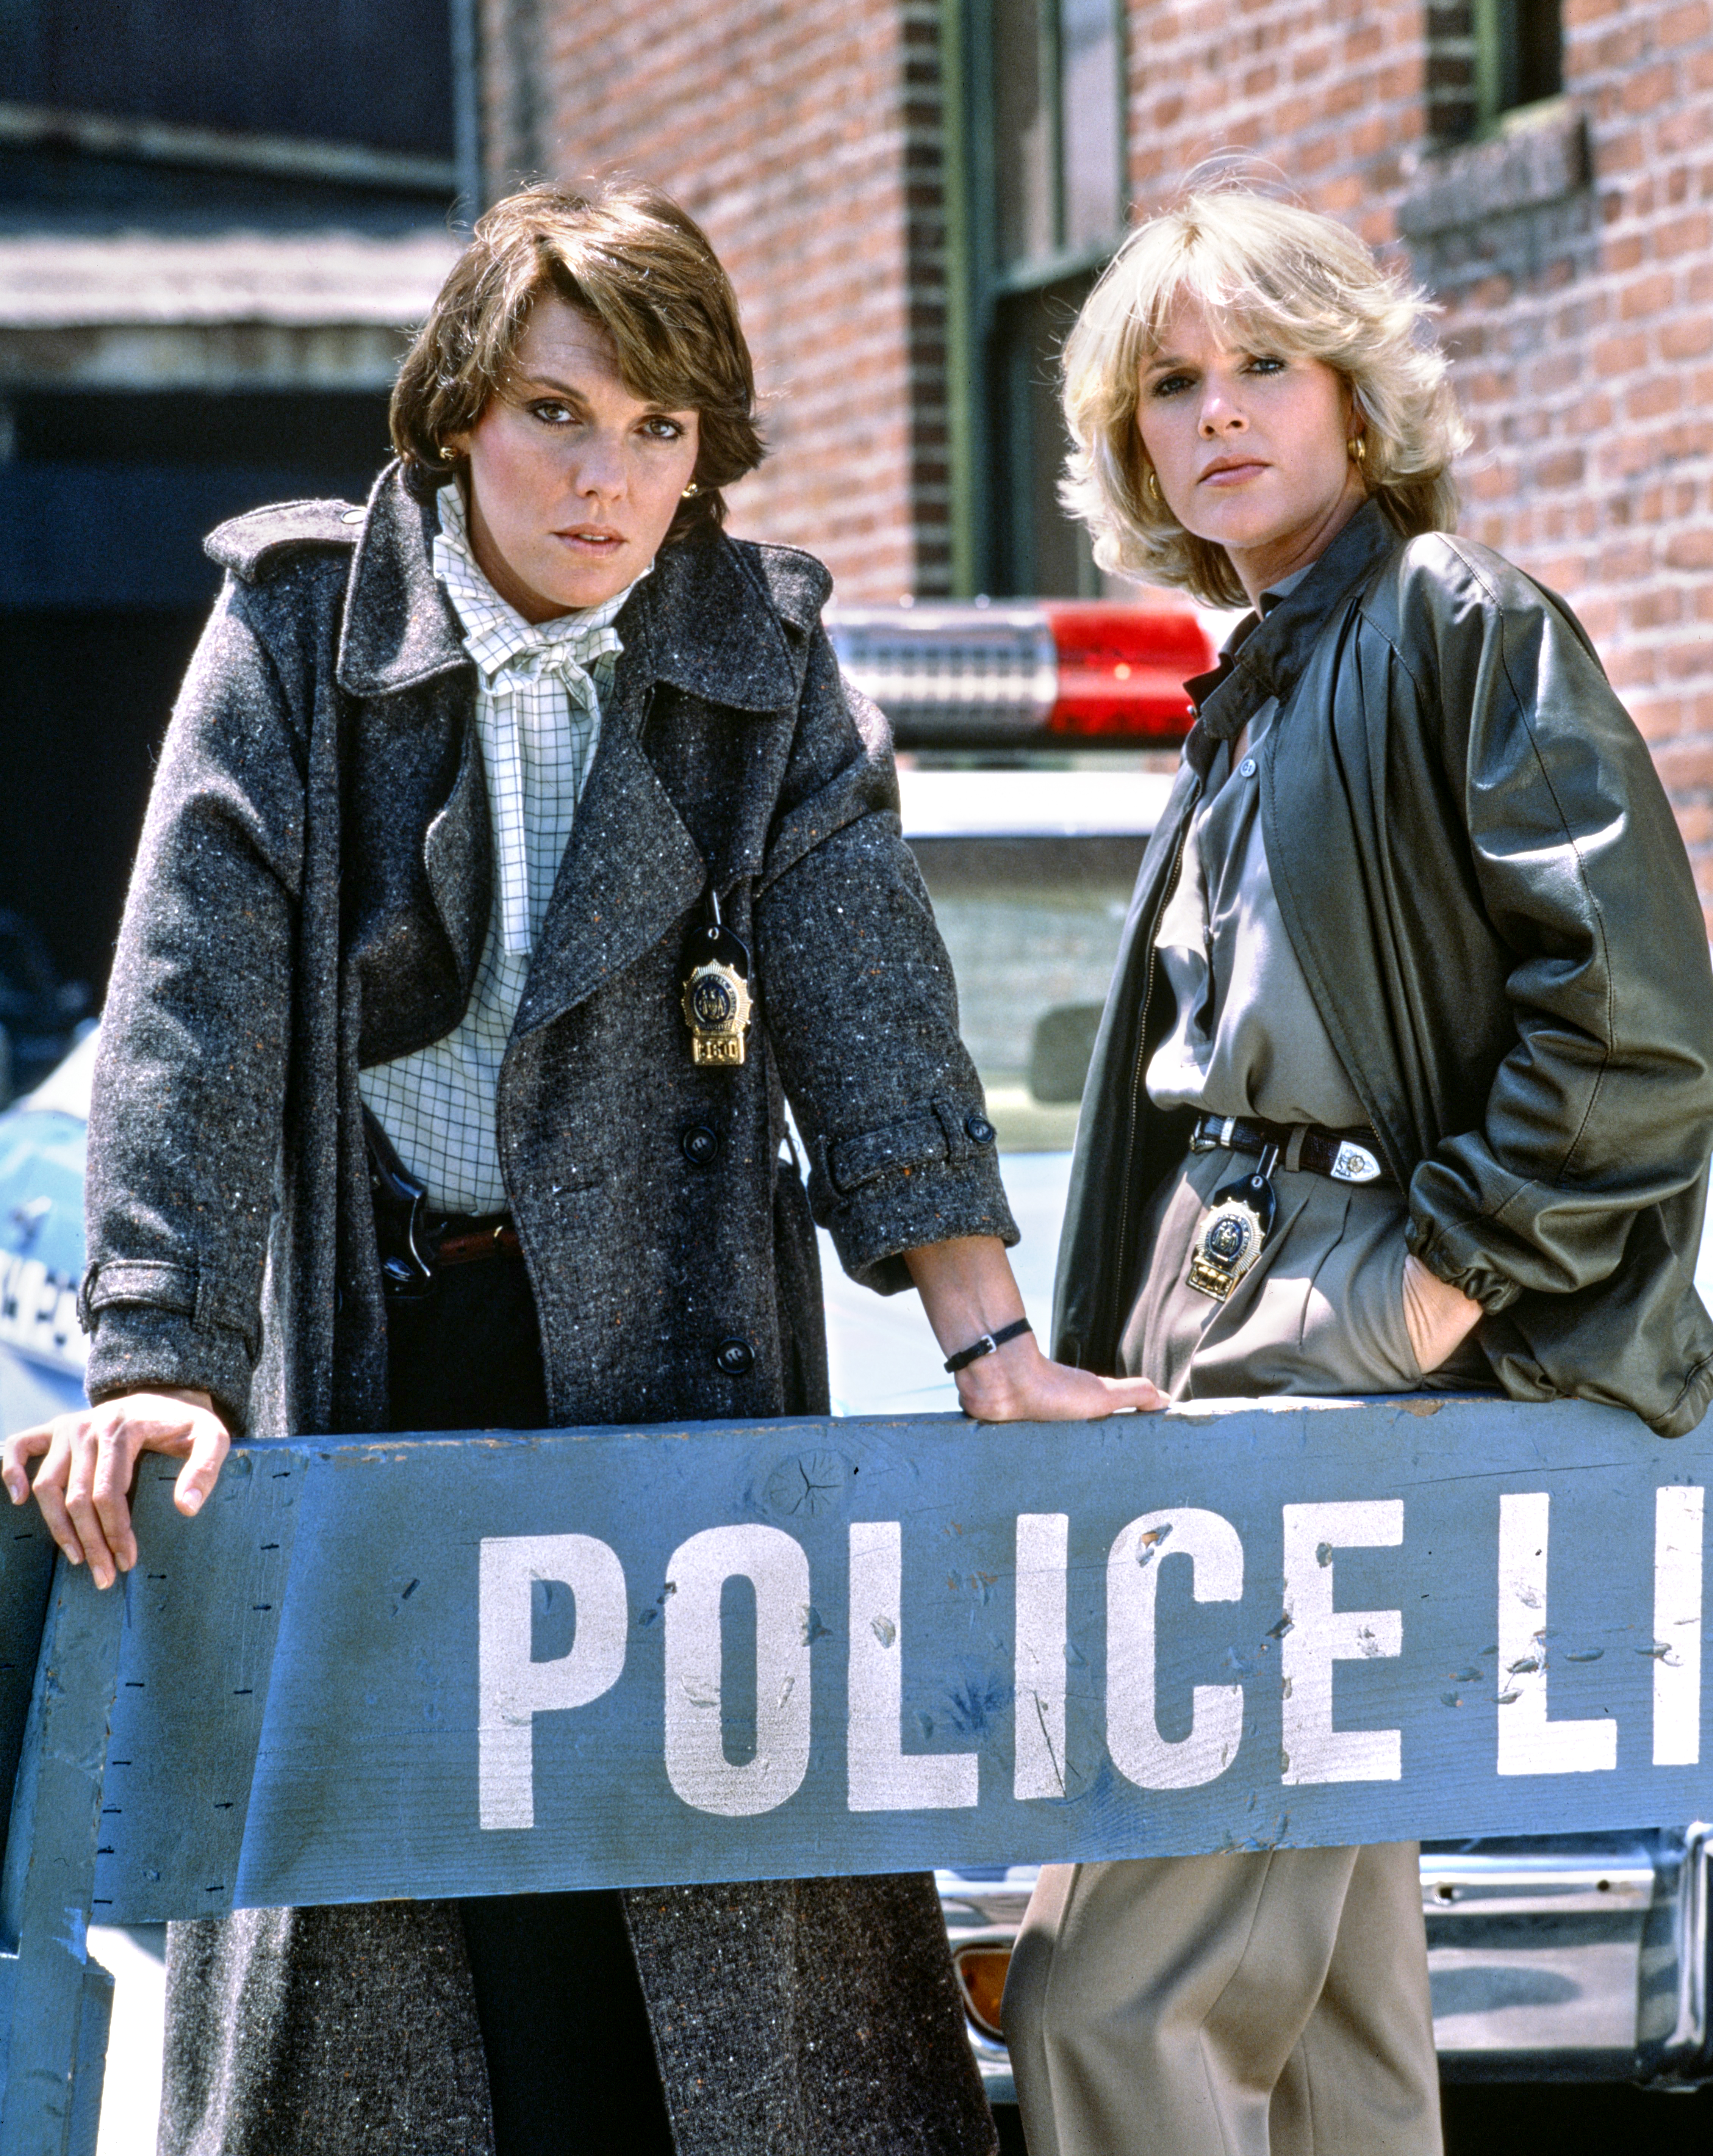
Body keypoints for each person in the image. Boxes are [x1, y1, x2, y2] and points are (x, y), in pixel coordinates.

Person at [2, 181, 1159, 2156]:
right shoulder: (296, 628)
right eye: (559, 413)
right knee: (409, 1955)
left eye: (659, 428)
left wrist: (992, 1345)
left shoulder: (754, 651)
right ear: (459, 413)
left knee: (701, 1997)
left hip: (673, 1393)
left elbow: (868, 1005)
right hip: (385, 1370)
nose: (607, 475)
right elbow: (191, 1004)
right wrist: (161, 1358)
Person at [1000, 185, 1713, 2156]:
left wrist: (1437, 1279)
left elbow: (1641, 1026)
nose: (1218, 412)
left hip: (1335, 1344)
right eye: (1169, 384)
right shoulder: (1258, 678)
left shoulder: (1449, 623)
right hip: (1219, 1327)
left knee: (1100, 1999)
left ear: (1354, 389)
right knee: (1329, 2019)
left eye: (1264, 365)